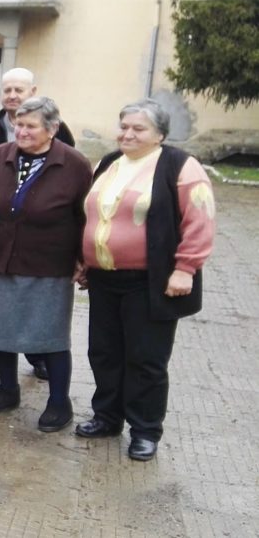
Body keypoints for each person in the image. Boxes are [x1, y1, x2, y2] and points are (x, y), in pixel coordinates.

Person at [75, 99, 215, 461]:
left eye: (138, 128)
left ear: (160, 134)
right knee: (104, 352)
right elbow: (93, 216)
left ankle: (145, 430)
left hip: (151, 281)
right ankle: (107, 416)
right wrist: (84, 260)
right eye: (124, 126)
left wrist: (186, 268)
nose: (128, 134)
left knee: (146, 358)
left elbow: (199, 221)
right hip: (104, 279)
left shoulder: (180, 166)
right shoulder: (109, 162)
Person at [0, 97, 92, 432]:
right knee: (1, 329)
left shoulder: (75, 165)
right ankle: (7, 389)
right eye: (18, 125)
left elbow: (86, 217)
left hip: (49, 263)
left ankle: (58, 402)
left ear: (52, 129)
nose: (21, 132)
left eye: (30, 126)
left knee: (49, 335)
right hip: (1, 257)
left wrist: (84, 259)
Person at [0, 67, 75, 376]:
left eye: (19, 90)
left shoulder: (66, 146)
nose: (12, 95)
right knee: (0, 312)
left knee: (41, 315)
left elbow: (78, 203)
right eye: (7, 90)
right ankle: (3, 374)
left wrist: (80, 256)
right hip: (1, 241)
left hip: (44, 250)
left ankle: (41, 365)